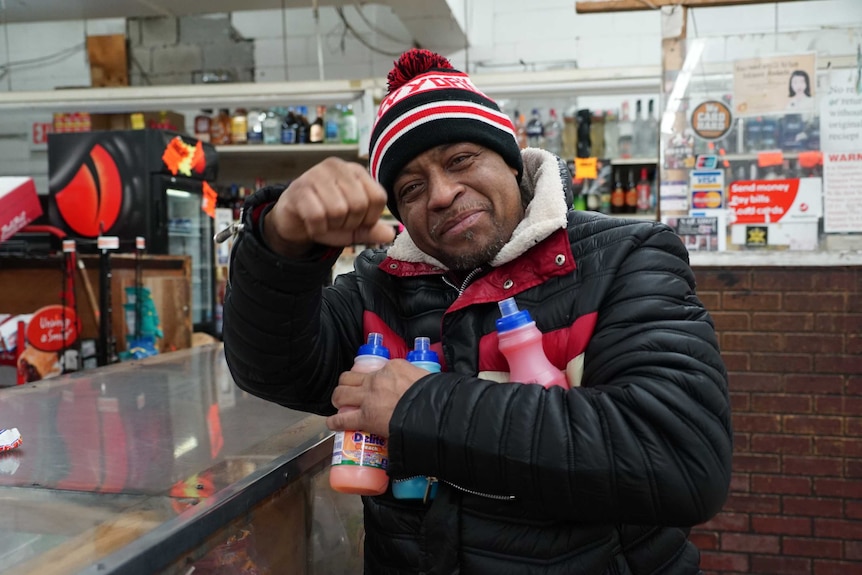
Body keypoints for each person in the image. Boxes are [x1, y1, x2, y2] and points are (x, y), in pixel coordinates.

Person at [223, 48, 732, 574]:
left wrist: (418, 408)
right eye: (412, 189)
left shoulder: (624, 257)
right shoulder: (377, 290)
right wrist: (279, 243)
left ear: (511, 160)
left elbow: (680, 458)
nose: (442, 194)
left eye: (461, 159)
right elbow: (271, 367)